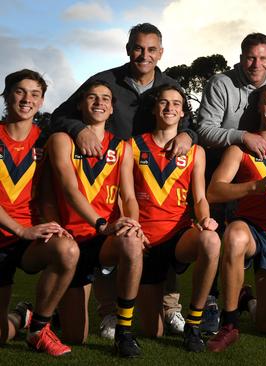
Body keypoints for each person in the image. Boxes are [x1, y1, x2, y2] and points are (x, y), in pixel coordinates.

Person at [50, 22, 192, 337]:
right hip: (114, 172)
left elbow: (189, 121)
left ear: (161, 52)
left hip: (156, 175)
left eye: (151, 49)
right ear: (128, 49)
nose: (144, 55)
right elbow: (59, 115)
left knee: (160, 237)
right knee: (112, 240)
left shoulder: (169, 84)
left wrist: (188, 135)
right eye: (138, 48)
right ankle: (108, 312)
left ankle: (170, 309)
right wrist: (78, 129)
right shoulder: (105, 81)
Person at [195, 32, 266, 333]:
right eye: (251, 57)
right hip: (224, 157)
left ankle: (250, 300)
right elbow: (204, 129)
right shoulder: (222, 84)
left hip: (262, 156)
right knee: (225, 235)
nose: (256, 64)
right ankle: (215, 306)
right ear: (241, 58)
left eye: (263, 58)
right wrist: (242, 137)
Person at [47, 81, 145, 358]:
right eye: (92, 97)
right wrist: (101, 223)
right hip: (71, 240)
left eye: (105, 98)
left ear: (112, 108)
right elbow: (69, 189)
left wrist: (132, 223)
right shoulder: (61, 140)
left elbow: (128, 197)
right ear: (80, 104)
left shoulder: (123, 148)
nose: (99, 102)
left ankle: (124, 331)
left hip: (104, 239)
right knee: (75, 336)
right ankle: (34, 312)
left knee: (131, 243)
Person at [132, 84, 220, 352]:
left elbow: (201, 198)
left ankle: (194, 324)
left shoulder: (196, 152)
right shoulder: (132, 146)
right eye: (164, 103)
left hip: (179, 237)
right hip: (145, 240)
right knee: (152, 332)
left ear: (183, 112)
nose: (170, 108)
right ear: (154, 108)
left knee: (211, 241)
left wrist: (205, 220)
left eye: (176, 104)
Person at [0, 69, 78, 356]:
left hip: (28, 238)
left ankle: (39, 329)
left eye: (34, 94)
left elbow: (46, 194)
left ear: (42, 100)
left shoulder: (47, 141)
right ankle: (23, 317)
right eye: (20, 91)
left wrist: (52, 224)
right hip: (10, 234)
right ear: (7, 96)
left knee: (67, 250)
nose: (26, 99)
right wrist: (20, 229)